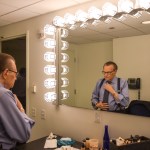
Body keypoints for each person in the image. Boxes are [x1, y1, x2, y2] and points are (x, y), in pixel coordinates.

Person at [0, 53, 35, 150]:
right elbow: (24, 134)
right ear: (6, 73)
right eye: (15, 74)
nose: (16, 78)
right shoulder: (4, 94)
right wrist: (21, 109)